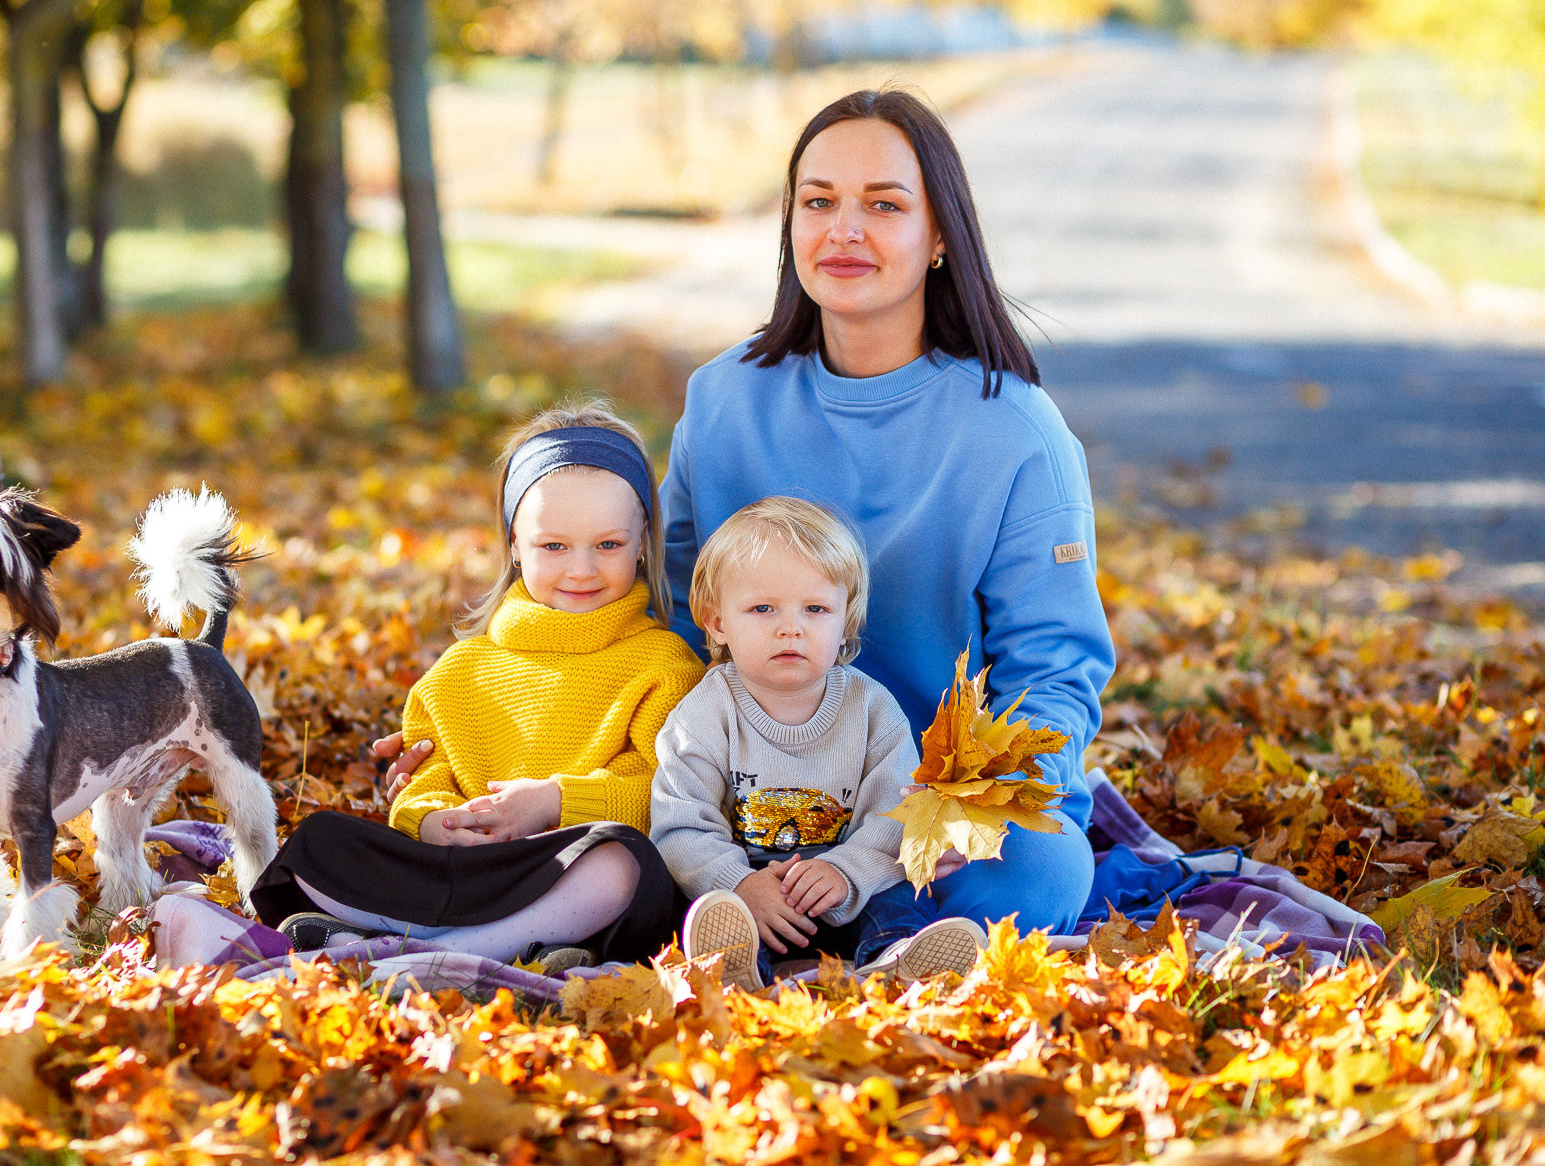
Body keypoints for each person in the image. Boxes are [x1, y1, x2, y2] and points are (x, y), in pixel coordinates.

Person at [656, 88, 1116, 939]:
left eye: (885, 206)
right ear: (789, 223)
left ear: (940, 235)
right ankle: (756, 912)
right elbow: (663, 617)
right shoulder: (723, 401)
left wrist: (956, 809)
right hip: (736, 787)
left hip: (919, 815)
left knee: (1045, 866)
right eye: (818, 201)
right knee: (612, 834)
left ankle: (870, 940)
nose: (844, 230)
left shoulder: (1014, 431)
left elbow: (1052, 672)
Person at [250, 401, 704, 971]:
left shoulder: (664, 664)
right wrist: (434, 820)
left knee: (624, 862)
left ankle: (433, 954)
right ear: (514, 544)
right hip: (468, 870)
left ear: (642, 543)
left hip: (564, 867)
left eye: (608, 545)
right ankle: (503, 949)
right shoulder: (463, 669)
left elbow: (665, 791)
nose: (581, 569)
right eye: (554, 546)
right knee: (317, 842)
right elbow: (429, 774)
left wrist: (553, 803)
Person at [649, 497, 985, 990]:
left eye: (816, 608)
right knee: (706, 909)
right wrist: (738, 883)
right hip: (747, 887)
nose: (792, 627)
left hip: (842, 884)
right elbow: (680, 825)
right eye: (762, 608)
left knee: (894, 898)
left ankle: (897, 960)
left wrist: (847, 871)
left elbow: (895, 815)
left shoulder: (871, 709)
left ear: (845, 621)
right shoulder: (703, 714)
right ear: (718, 622)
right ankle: (730, 969)